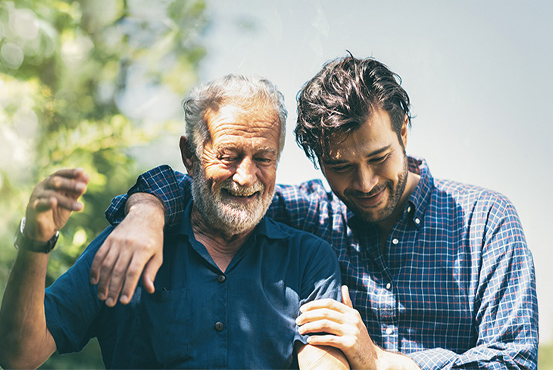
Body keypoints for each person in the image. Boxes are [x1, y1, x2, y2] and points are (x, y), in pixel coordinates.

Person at [93, 56, 539, 370]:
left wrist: (383, 363)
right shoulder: (306, 214)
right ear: (317, 160)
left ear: (404, 131)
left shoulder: (487, 222)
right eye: (341, 167)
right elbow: (209, 187)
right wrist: (145, 211)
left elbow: (515, 361)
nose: (364, 183)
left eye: (379, 157)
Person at [0, 75, 349, 370]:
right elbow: (19, 354)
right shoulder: (128, 244)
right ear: (189, 155)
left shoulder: (309, 259)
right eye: (228, 156)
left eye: (263, 158)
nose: (245, 177)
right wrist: (36, 240)